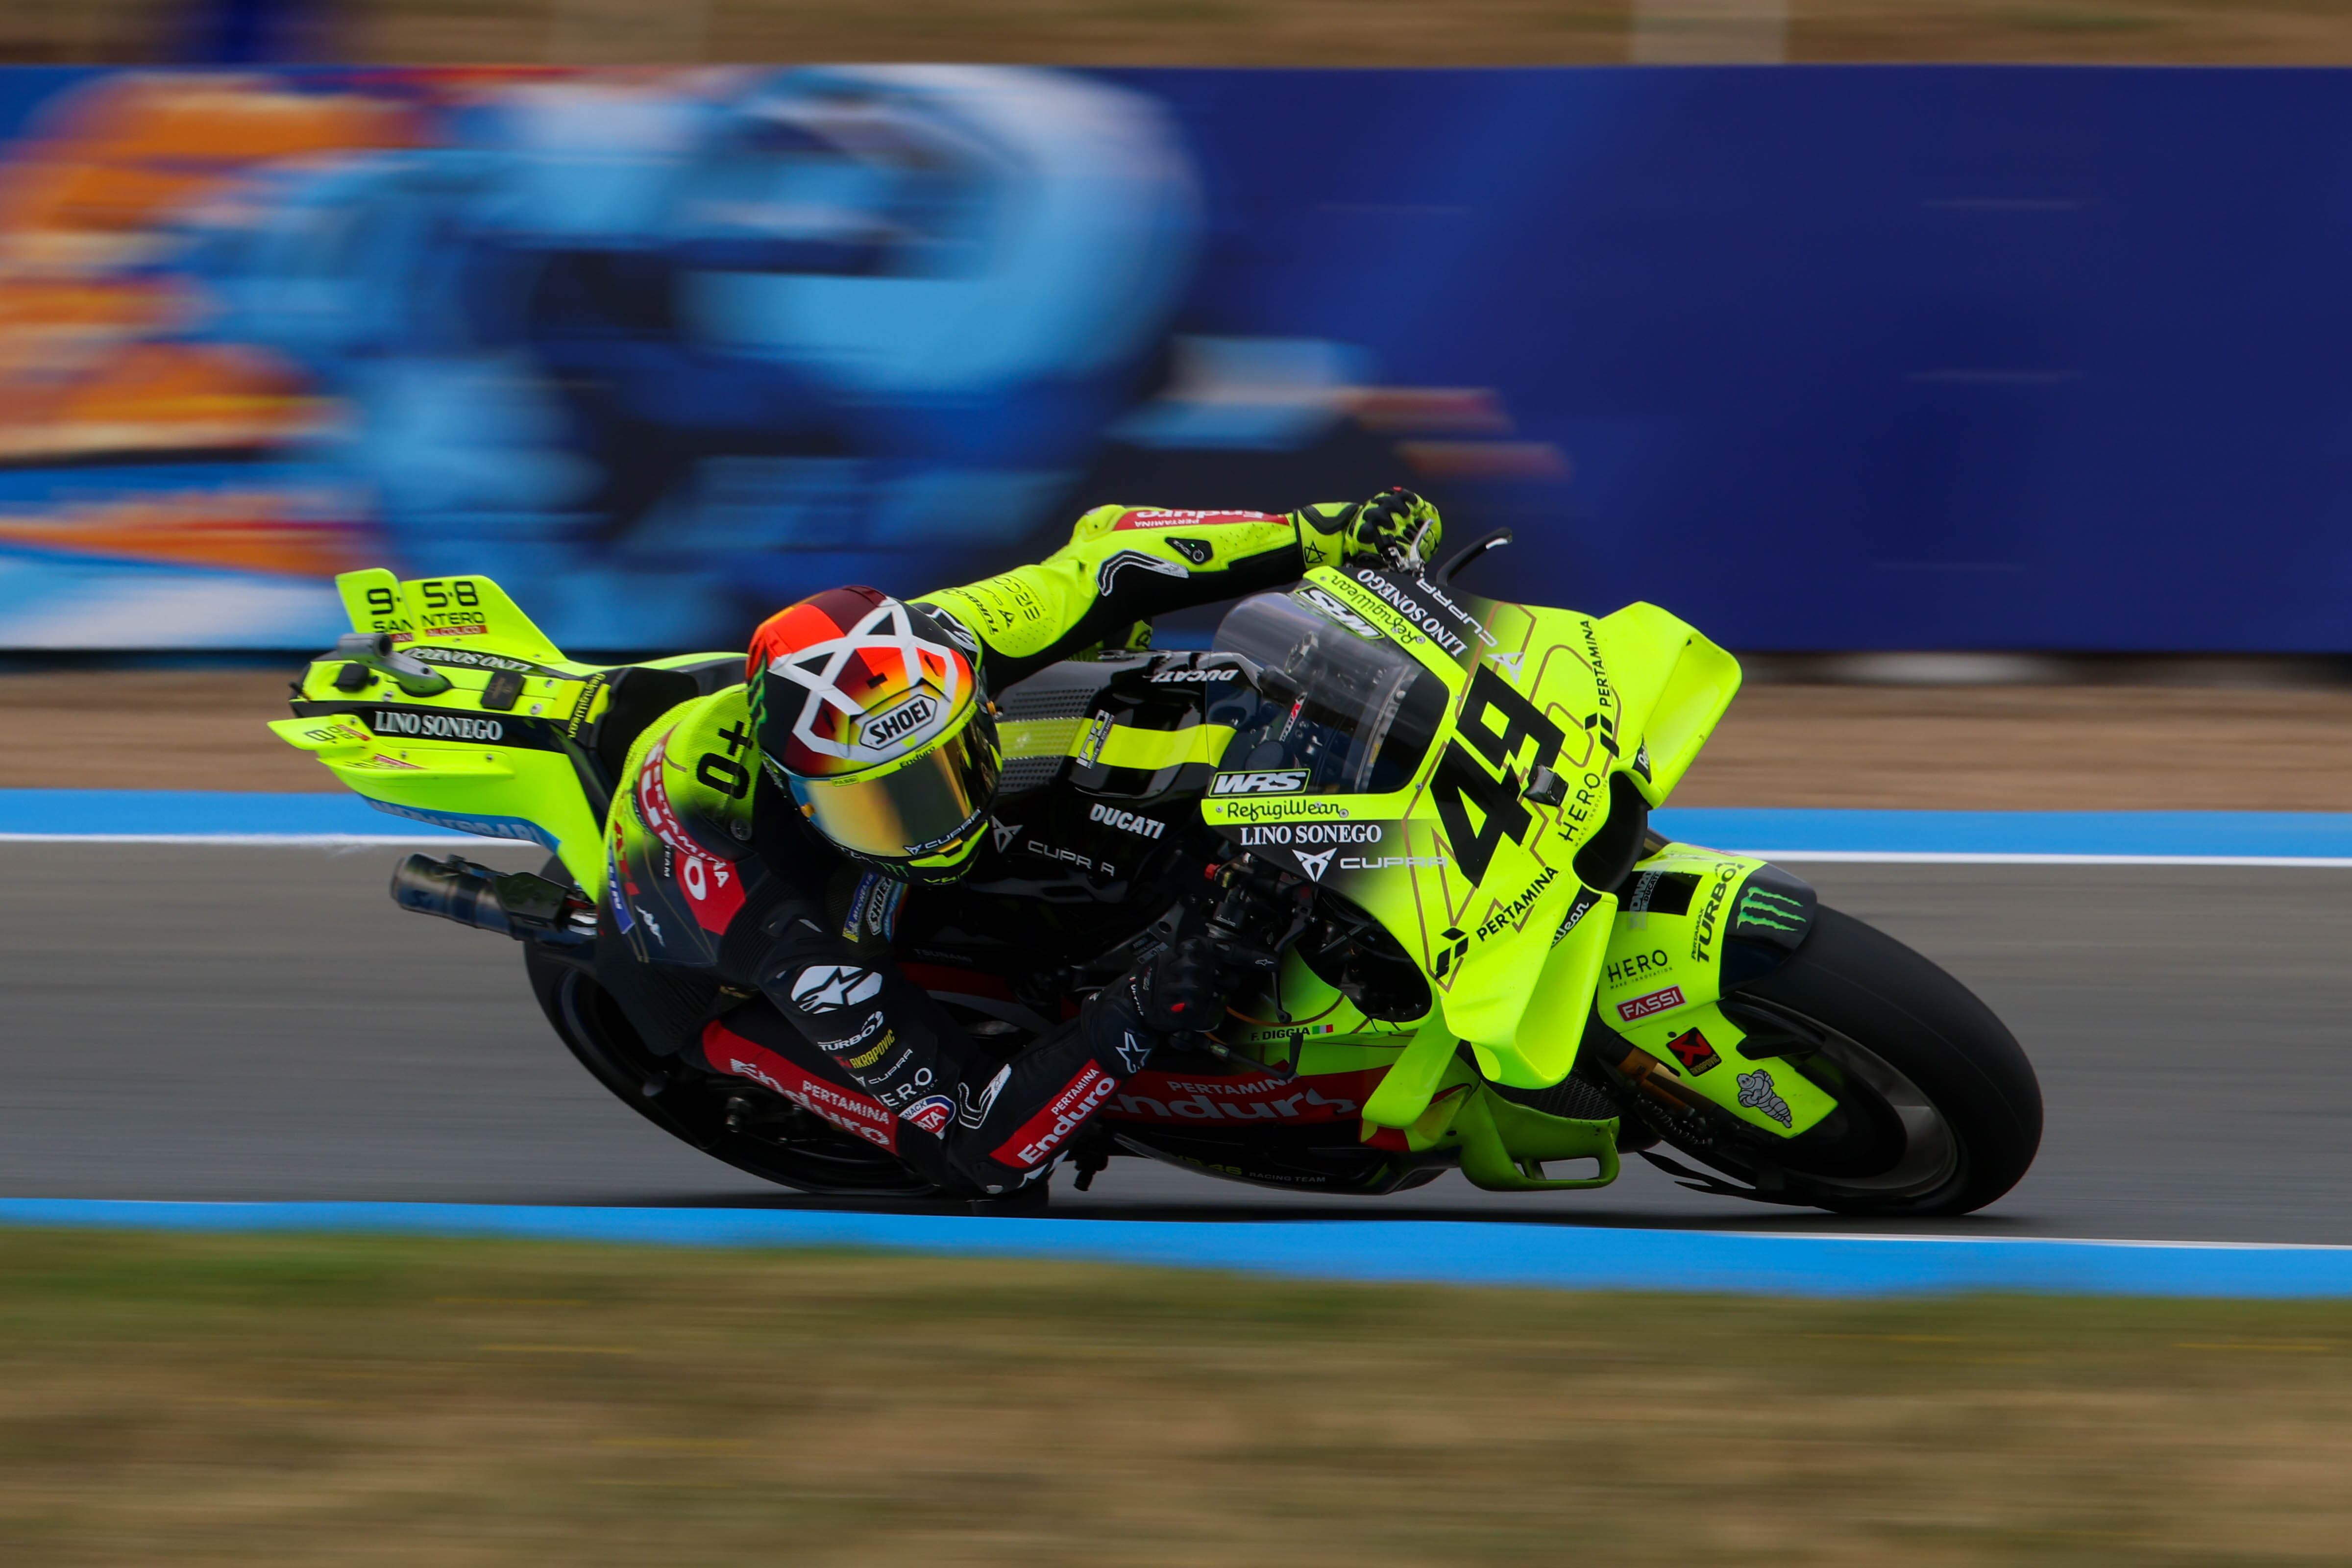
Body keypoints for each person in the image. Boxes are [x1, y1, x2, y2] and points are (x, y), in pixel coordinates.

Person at [601, 490, 1442, 1195]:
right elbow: (978, 1147)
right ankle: (721, 1041)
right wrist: (1141, 1007)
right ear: (807, 799)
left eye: (941, 777)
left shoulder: (949, 640)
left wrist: (1324, 532)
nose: (936, 826)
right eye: (885, 810)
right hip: (698, 906)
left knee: (1108, 589)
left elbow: (1109, 563)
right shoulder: (772, 917)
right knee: (949, 1159)